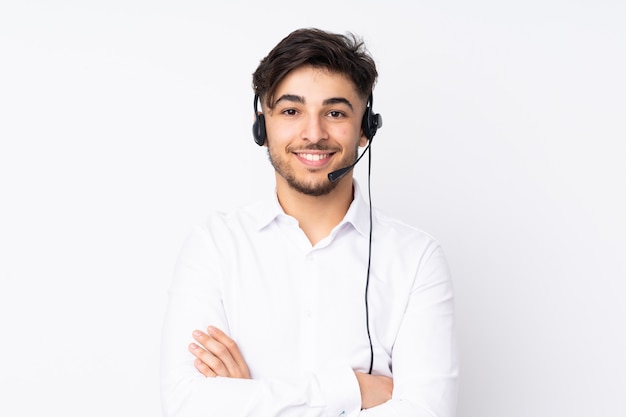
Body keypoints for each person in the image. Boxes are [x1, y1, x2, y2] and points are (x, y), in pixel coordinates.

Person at [160, 27, 458, 417]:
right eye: (290, 111)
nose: (313, 134)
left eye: (335, 113)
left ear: (365, 128)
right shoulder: (215, 245)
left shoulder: (416, 258)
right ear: (261, 126)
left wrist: (247, 399)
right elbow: (185, 407)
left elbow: (429, 413)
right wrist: (350, 390)